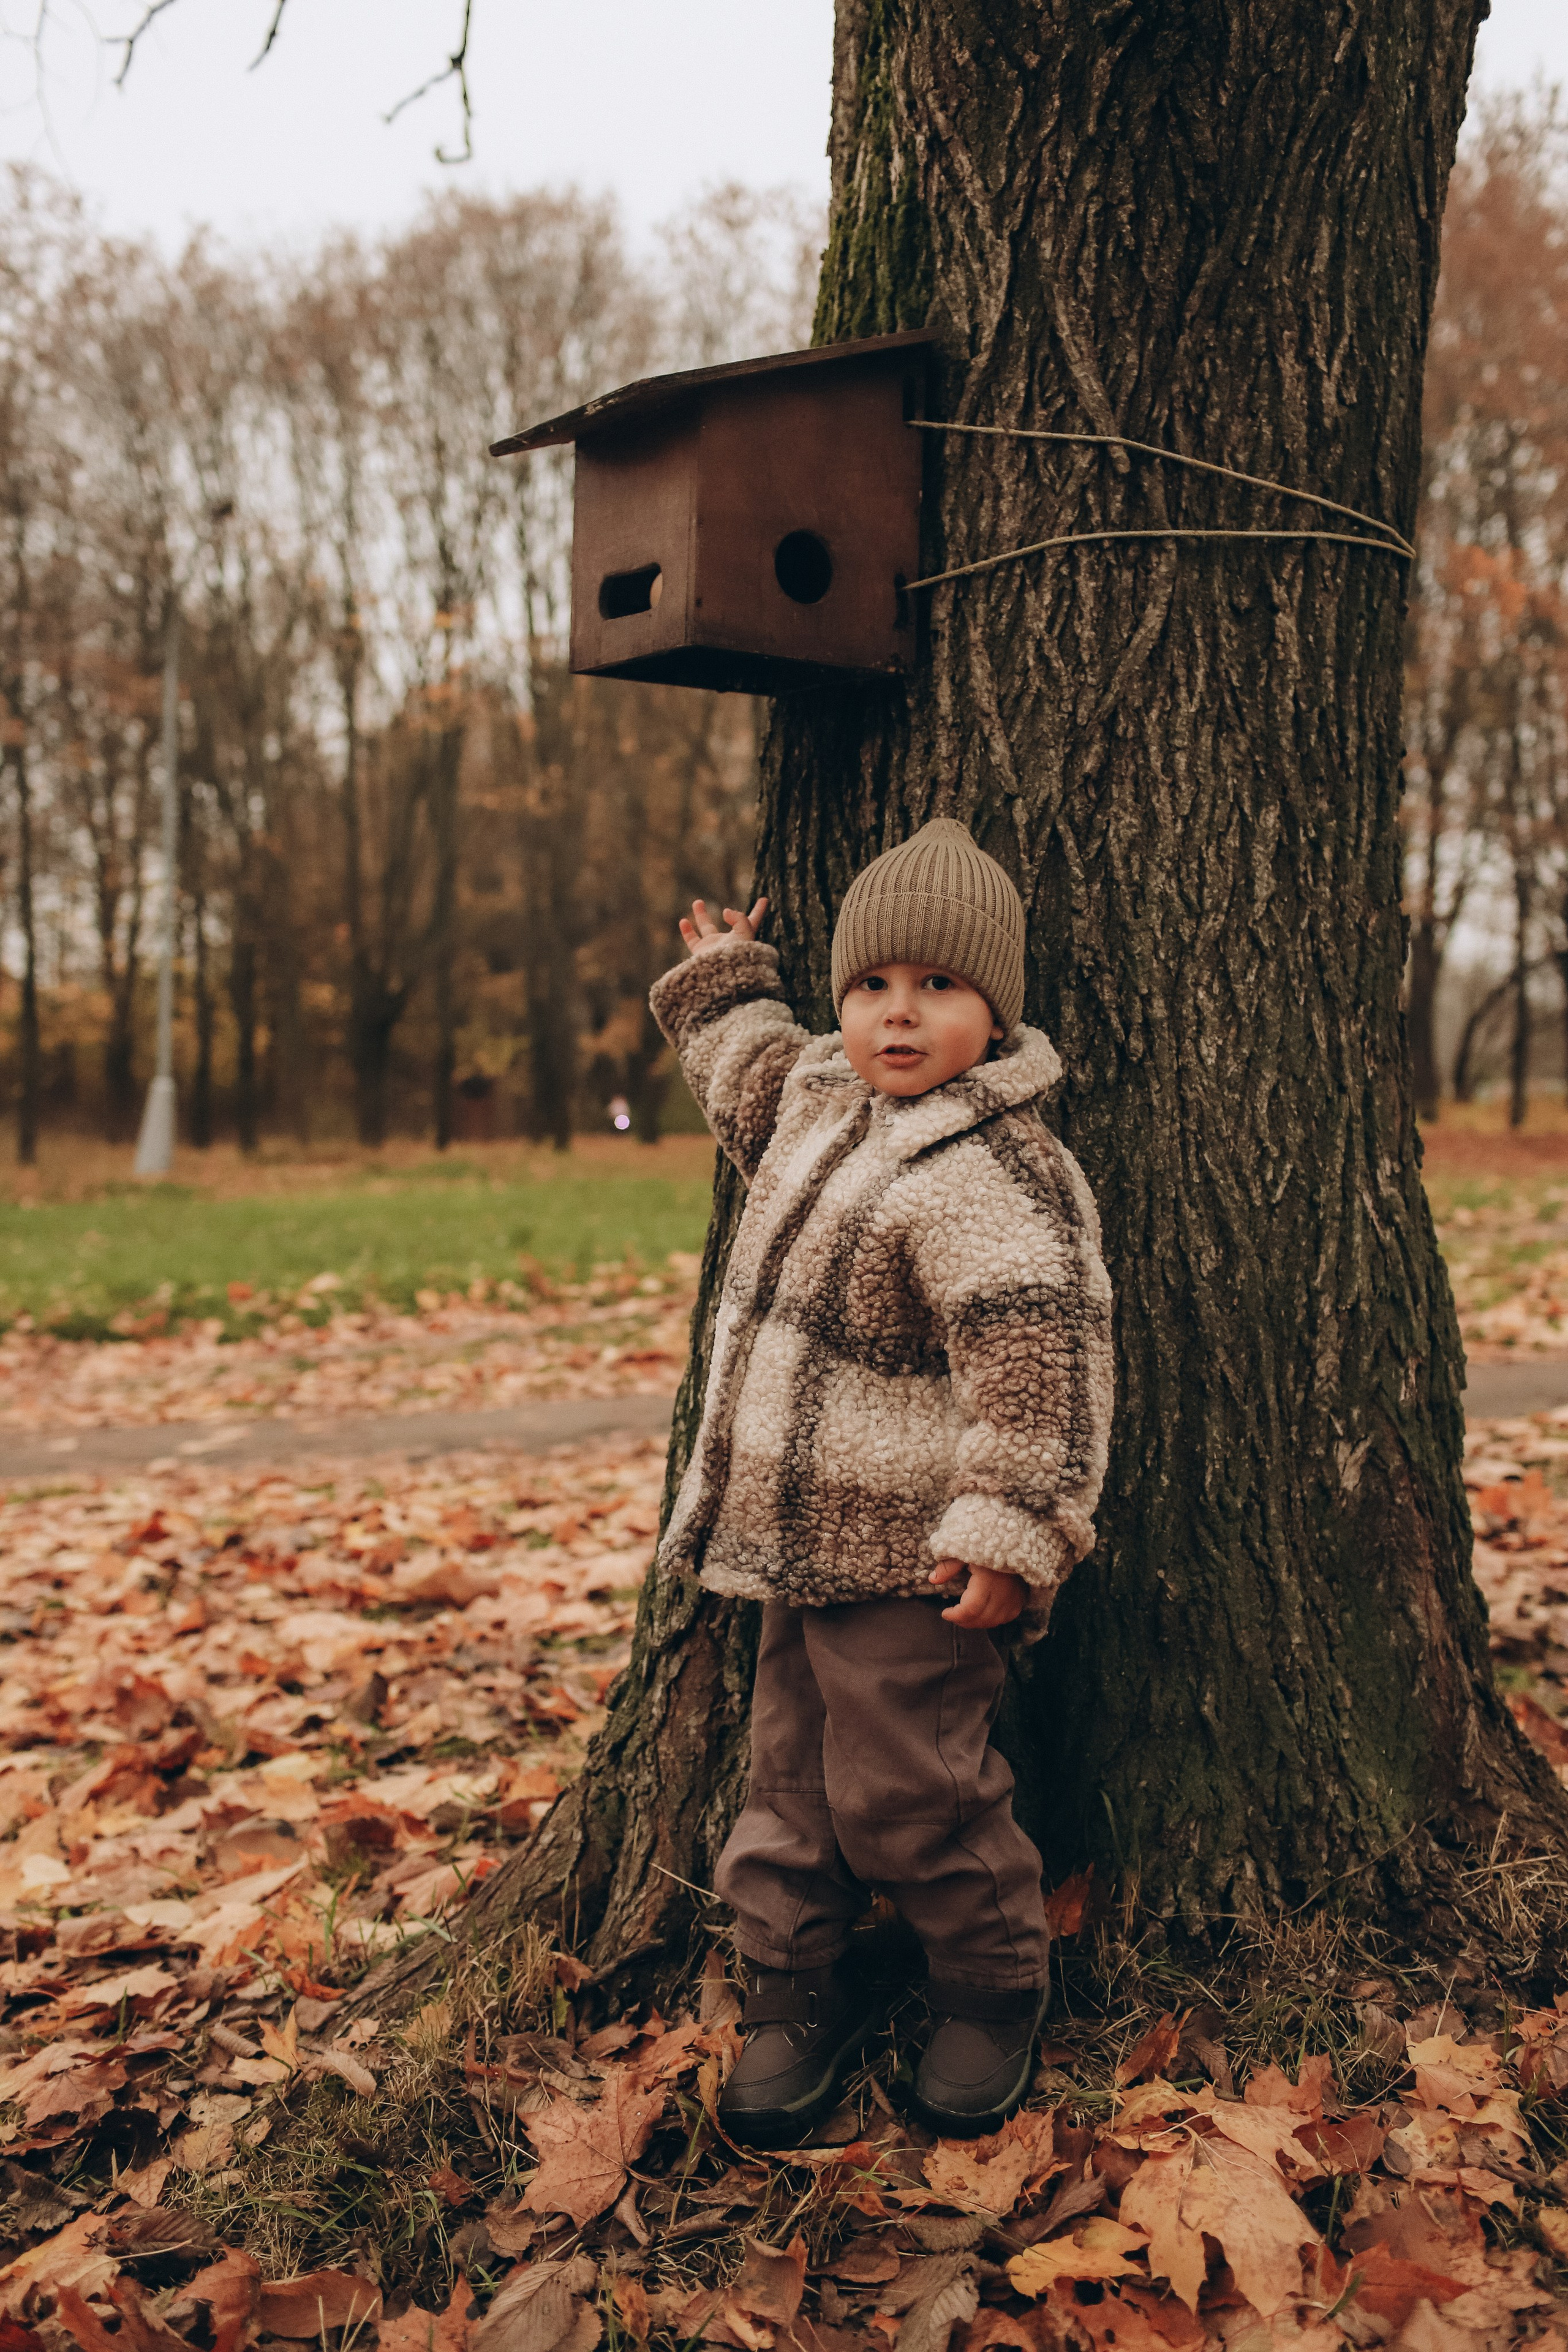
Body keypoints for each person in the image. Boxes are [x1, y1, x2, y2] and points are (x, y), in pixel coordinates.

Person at [649, 818, 1113, 2143]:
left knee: (913, 1787)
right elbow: (748, 1081)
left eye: (935, 989)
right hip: (788, 1545)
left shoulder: (994, 1170)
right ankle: (793, 1986)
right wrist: (729, 987)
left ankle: (986, 1985)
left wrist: (1010, 1525)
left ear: (993, 1008)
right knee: (785, 1787)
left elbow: (1041, 1358)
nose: (896, 1017)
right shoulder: (819, 1100)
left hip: (919, 1559)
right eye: (870, 989)